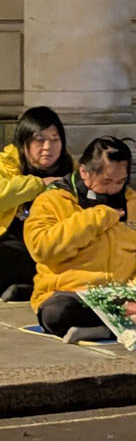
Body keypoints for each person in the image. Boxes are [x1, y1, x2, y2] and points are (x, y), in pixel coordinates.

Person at [24, 137, 136, 342]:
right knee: (57, 314)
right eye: (106, 181)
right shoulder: (51, 201)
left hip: (125, 294)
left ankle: (103, 330)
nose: (114, 188)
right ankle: (126, 327)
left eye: (120, 181)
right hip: (75, 294)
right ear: (84, 172)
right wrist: (97, 218)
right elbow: (42, 249)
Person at [0, 107, 73, 301]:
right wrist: (38, 185)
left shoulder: (73, 172)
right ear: (23, 143)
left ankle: (34, 287)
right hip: (11, 243)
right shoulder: (6, 165)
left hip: (51, 249)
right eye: (39, 140)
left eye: (54, 139)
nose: (48, 147)